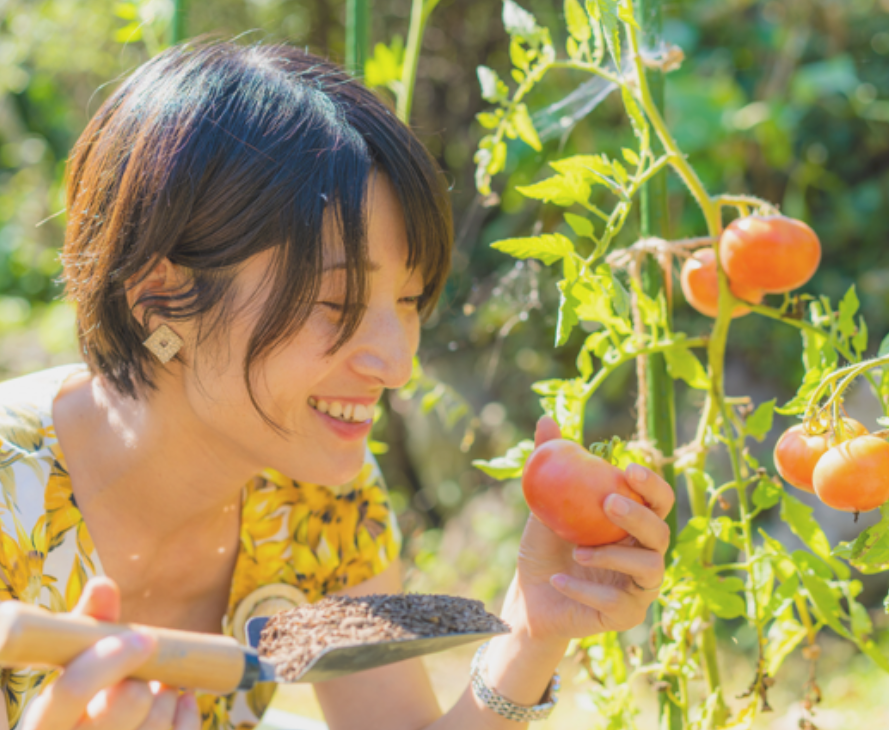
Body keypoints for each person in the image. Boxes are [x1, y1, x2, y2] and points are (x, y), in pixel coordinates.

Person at [0, 40, 674, 730]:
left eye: (408, 301)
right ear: (161, 297)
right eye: (336, 304)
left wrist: (533, 628)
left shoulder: (320, 506)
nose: (397, 364)